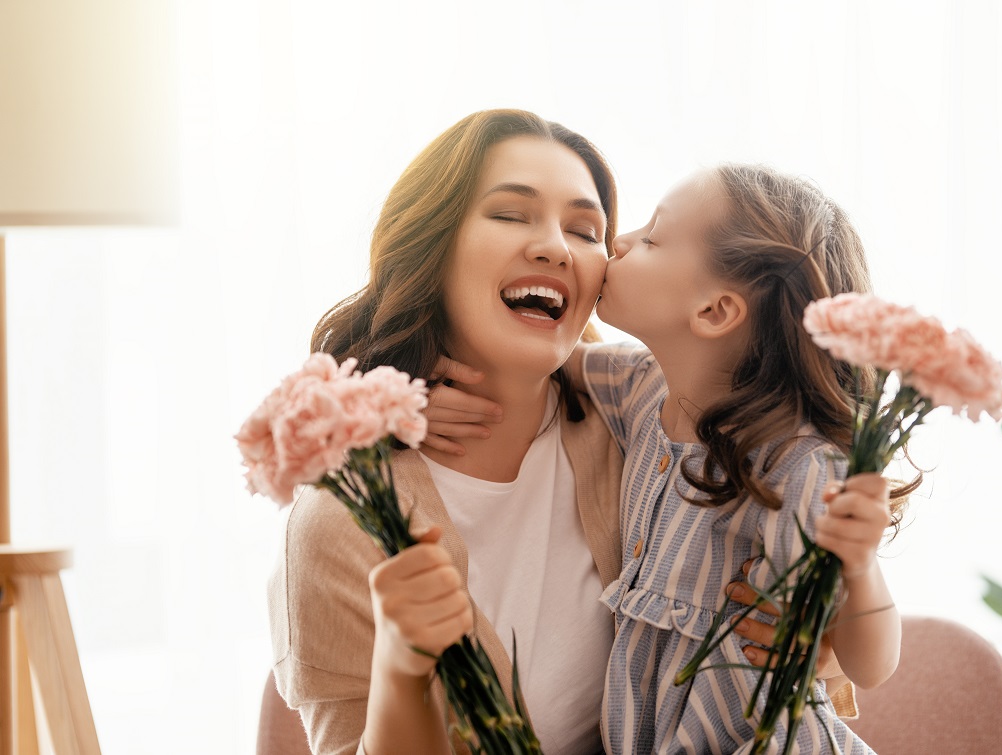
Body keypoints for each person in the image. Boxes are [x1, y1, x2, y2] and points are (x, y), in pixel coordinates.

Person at [432, 164, 908, 754]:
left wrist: (859, 570)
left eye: (652, 238)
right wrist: (420, 376)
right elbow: (538, 356)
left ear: (713, 312)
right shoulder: (640, 386)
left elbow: (872, 663)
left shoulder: (797, 466)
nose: (618, 243)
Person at [267, 109, 628, 755]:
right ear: (432, 246)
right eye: (511, 214)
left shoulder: (637, 434)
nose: (555, 246)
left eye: (585, 229)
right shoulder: (343, 516)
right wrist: (403, 671)